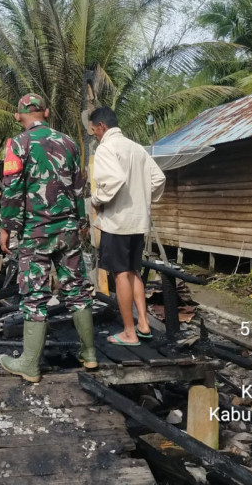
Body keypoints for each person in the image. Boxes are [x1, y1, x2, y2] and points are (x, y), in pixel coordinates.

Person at [0, 93, 96, 382]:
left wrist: (7, 227)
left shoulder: (18, 144)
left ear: (18, 116)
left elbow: (12, 190)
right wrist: (80, 221)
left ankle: (29, 364)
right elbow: (79, 187)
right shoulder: (69, 142)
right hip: (68, 231)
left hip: (35, 234)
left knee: (34, 296)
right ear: (46, 112)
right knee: (77, 290)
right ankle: (90, 353)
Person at [89, 106, 166, 346]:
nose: (94, 135)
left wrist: (96, 200)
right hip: (138, 221)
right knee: (133, 272)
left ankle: (129, 333)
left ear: (102, 126)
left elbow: (114, 180)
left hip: (117, 223)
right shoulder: (136, 148)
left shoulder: (106, 148)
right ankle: (143, 324)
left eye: (94, 131)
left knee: (120, 274)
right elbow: (159, 178)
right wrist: (142, 198)